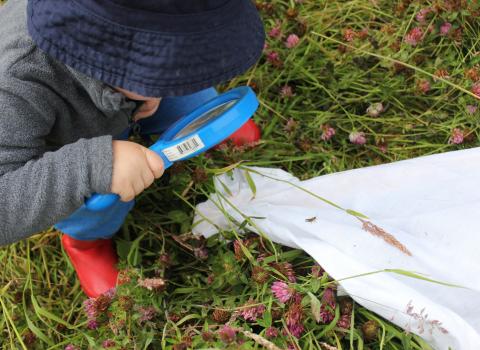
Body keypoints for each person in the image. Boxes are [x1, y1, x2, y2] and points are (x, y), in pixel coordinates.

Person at [0, 0, 265, 297]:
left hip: (125, 91)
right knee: (102, 201)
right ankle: (86, 242)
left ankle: (174, 95)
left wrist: (152, 85)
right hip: (70, 144)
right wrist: (92, 166)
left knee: (182, 94)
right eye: (169, 63)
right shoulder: (17, 83)